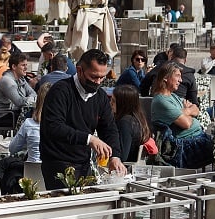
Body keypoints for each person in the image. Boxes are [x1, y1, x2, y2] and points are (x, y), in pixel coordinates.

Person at [38, 48, 127, 187]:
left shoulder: (100, 96)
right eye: (93, 77)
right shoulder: (60, 91)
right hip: (57, 162)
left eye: (102, 77)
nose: (98, 82)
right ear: (79, 71)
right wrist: (89, 139)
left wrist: (115, 156)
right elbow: (54, 127)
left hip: (83, 163)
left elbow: (109, 128)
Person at [148, 62, 215, 168]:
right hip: (186, 146)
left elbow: (196, 109)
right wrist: (188, 111)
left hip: (197, 138)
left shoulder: (173, 96)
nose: (181, 80)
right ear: (165, 78)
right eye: (177, 76)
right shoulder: (161, 101)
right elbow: (186, 123)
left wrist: (185, 111)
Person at [0, 52, 37, 128]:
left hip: (14, 112)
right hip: (3, 115)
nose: (26, 68)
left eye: (26, 65)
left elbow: (33, 93)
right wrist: (32, 99)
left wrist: (31, 98)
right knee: (33, 119)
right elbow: (19, 102)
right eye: (23, 65)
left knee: (36, 116)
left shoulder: (21, 78)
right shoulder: (7, 81)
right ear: (14, 67)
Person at [9, 83, 53, 163]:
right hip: (54, 173)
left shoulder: (28, 124)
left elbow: (12, 149)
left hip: (31, 172)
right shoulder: (64, 125)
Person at [112, 84, 152, 163]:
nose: (110, 103)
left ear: (122, 104)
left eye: (113, 101)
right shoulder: (138, 120)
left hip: (125, 167)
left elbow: (122, 156)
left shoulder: (125, 123)